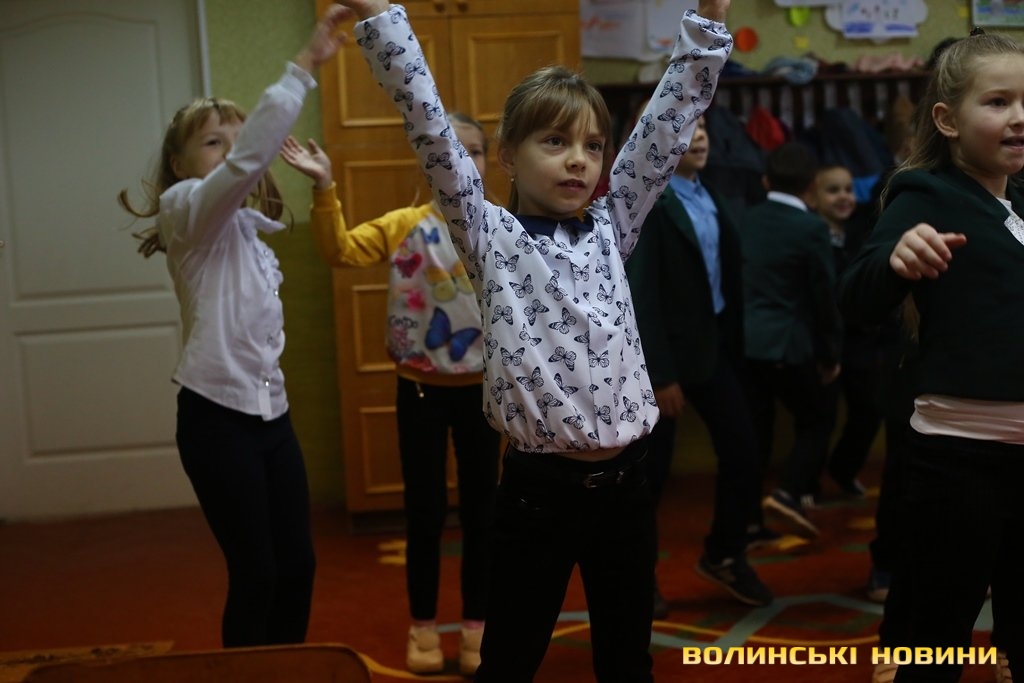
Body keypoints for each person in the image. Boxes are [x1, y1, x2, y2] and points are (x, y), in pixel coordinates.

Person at [337, 1, 732, 680]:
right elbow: (428, 124)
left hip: (627, 487)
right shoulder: (489, 234)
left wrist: (707, 22)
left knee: (626, 661)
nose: (578, 161)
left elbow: (666, 126)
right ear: (507, 157)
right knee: (510, 661)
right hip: (537, 494)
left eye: (592, 146)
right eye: (554, 142)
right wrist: (382, 17)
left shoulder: (612, 223)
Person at [116, 6, 349, 647]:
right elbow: (245, 164)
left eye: (236, 138)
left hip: (272, 417)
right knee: (257, 572)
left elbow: (249, 168)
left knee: (297, 567)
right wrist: (304, 65)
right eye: (212, 142)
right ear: (180, 163)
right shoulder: (184, 211)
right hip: (216, 420)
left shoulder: (248, 233)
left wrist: (323, 185)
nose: (231, 151)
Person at [280, 116, 500, 676]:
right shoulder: (405, 225)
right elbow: (340, 251)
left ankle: (476, 628)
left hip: (485, 396)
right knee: (425, 516)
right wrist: (324, 186)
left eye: (474, 151)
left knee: (483, 516)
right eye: (448, 150)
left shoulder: (502, 228)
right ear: (425, 161)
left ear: (487, 161)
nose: (462, 161)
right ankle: (423, 627)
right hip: (420, 391)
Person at [838, 29, 1022, 683]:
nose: (1019, 117)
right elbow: (855, 296)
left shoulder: (1018, 197)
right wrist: (896, 259)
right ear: (947, 120)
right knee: (937, 633)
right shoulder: (926, 193)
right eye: (998, 102)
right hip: (960, 459)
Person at [626, 115, 774, 610]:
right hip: (664, 363)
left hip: (712, 351)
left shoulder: (707, 193)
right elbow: (642, 295)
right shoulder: (651, 202)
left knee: (744, 452)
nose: (701, 136)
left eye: (705, 126)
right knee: (652, 477)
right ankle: (637, 576)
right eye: (688, 128)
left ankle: (725, 553)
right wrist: (661, 375)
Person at [740, 142, 843, 539]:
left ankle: (749, 519)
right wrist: (831, 353)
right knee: (817, 420)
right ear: (812, 185)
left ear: (766, 181)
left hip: (748, 343)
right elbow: (823, 296)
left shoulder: (745, 218)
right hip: (790, 345)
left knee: (756, 434)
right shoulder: (811, 228)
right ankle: (788, 491)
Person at [808, 163, 886, 499]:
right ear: (813, 197)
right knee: (820, 418)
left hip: (859, 342)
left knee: (869, 411)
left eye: (848, 190)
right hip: (822, 343)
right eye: (833, 190)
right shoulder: (809, 234)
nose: (844, 197)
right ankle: (807, 483)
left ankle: (844, 469)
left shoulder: (861, 233)